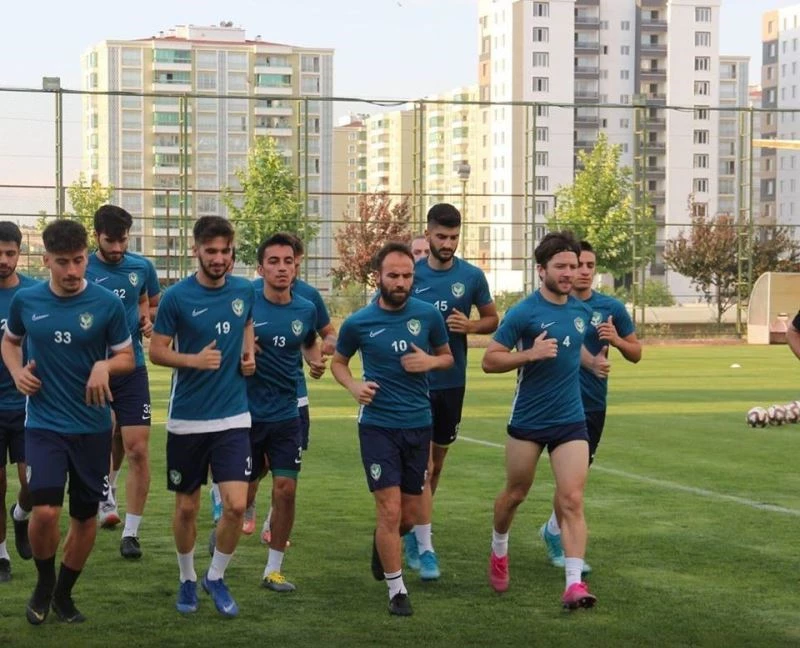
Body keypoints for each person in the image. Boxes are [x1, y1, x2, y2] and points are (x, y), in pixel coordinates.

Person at [1, 219, 134, 624]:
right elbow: (10, 342)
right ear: (46, 261)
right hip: (44, 424)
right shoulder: (27, 301)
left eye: (79, 260)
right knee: (45, 511)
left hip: (93, 427)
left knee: (84, 516)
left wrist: (104, 366)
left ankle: (63, 594)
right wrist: (17, 371)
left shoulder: (106, 304)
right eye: (63, 262)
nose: (73, 270)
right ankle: (44, 583)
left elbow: (127, 357)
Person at [331, 241, 453, 617]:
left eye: (407, 276)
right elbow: (339, 362)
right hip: (378, 427)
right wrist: (354, 386)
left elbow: (447, 358)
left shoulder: (428, 316)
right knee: (389, 510)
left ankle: (381, 545)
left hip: (418, 425)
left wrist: (429, 362)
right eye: (393, 275)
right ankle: (396, 590)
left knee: (408, 517)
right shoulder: (358, 323)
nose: (401, 282)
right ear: (378, 277)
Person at [482, 231, 602, 610]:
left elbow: (571, 346)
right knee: (516, 493)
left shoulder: (581, 312)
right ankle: (499, 548)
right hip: (529, 419)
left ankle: (573, 584)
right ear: (541, 270)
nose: (569, 273)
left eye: (574, 266)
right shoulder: (524, 312)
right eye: (560, 266)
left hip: (571, 419)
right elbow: (490, 360)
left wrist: (592, 363)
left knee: (572, 499)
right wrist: (529, 355)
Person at [149, 216, 256, 618]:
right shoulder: (176, 297)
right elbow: (156, 351)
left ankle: (215, 576)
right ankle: (187, 577)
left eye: (225, 251)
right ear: (195, 250)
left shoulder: (244, 290)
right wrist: (193, 360)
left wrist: (248, 353)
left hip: (233, 417)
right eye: (211, 251)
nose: (219, 258)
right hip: (188, 420)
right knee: (187, 508)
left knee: (236, 506)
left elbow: (247, 322)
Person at [403, 203, 497, 580]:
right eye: (441, 236)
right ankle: (422, 543)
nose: (447, 243)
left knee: (436, 465)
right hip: (417, 384)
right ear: (427, 234)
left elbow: (492, 319)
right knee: (423, 466)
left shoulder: (471, 276)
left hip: (453, 382)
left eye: (454, 237)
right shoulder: (412, 274)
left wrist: (471, 326)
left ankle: (416, 521)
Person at [538, 240, 641, 571]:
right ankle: (545, 537)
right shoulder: (551, 305)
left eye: (589, 266)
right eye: (577, 265)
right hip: (553, 403)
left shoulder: (610, 308)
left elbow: (636, 353)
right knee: (540, 483)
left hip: (591, 404)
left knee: (574, 483)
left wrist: (616, 340)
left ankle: (554, 531)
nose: (583, 271)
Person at [247, 233, 325, 593]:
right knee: (239, 496)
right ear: (261, 268)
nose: (282, 268)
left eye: (288, 261)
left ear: (296, 267)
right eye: (274, 261)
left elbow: (308, 339)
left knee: (286, 489)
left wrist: (314, 361)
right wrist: (242, 347)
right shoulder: (244, 303)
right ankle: (224, 540)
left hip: (286, 413)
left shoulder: (305, 308)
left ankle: (273, 570)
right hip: (245, 414)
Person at [85, 205, 160, 559]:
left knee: (137, 449)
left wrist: (148, 319)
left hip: (133, 368)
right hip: (93, 369)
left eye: (123, 240)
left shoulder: (141, 267)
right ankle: (105, 491)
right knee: (106, 434)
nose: (117, 248)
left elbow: (150, 302)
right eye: (109, 241)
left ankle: (131, 532)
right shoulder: (83, 267)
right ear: (96, 236)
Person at [0, 222, 38, 582]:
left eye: (9, 253)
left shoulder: (33, 294)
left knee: (34, 482)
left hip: (28, 406)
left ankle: (21, 515)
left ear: (19, 253)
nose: (3, 259)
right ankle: (1, 555)